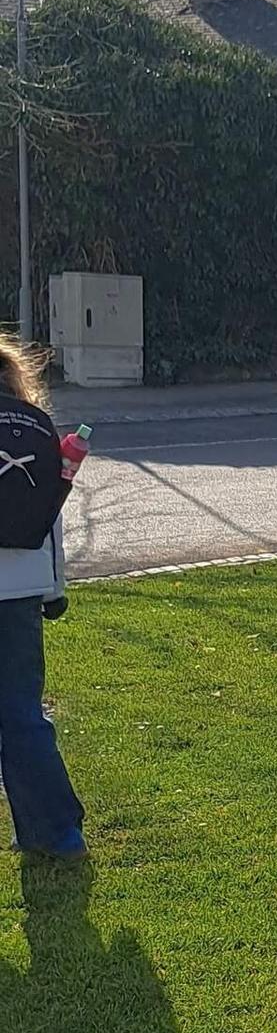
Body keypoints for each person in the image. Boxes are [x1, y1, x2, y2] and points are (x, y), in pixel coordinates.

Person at [0, 333, 87, 861]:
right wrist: (54, 590)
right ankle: (56, 832)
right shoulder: (34, 429)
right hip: (23, 591)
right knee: (22, 712)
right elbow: (48, 521)